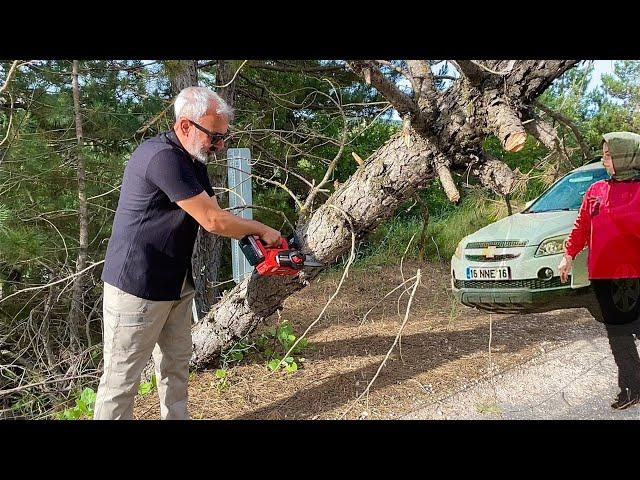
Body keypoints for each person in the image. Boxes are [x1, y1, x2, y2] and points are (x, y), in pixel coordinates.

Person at [94, 87, 281, 420]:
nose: (220, 145)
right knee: (121, 379)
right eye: (215, 136)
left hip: (175, 281)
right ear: (184, 126)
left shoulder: (193, 158)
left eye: (224, 137)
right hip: (137, 286)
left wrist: (247, 234)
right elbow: (212, 221)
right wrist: (261, 229)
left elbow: (212, 210)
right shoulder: (162, 158)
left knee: (176, 365)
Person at [559, 131, 640, 410]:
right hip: (603, 275)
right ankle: (631, 388)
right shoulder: (596, 191)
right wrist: (568, 254)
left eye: (608, 154)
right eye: (603, 154)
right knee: (618, 334)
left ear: (624, 156)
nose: (604, 160)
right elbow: (582, 226)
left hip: (635, 275)